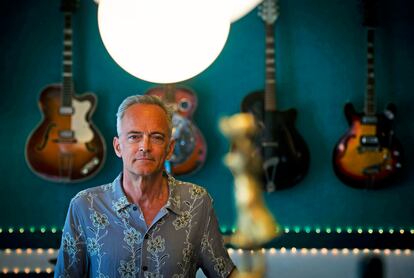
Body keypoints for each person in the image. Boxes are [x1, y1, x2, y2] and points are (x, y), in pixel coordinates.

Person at [54, 95, 236, 277]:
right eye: (134, 136)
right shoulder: (85, 205)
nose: (145, 146)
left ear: (169, 149)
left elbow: (223, 272)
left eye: (156, 137)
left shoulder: (197, 201)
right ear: (118, 147)